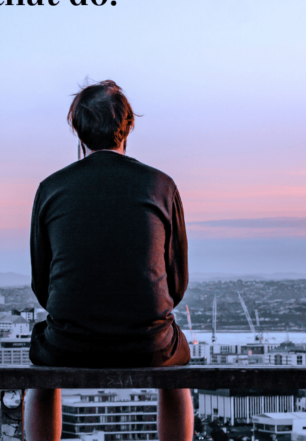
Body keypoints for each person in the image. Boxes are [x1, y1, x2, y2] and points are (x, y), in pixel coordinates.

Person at [26, 80, 193, 441]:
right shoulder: (161, 186)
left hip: (68, 344)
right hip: (149, 343)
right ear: (128, 126)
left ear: (78, 130)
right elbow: (177, 283)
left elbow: (42, 284)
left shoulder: (51, 188)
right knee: (176, 373)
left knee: (42, 372)